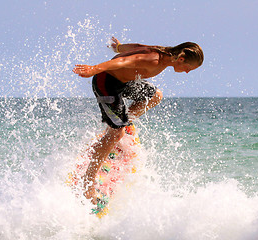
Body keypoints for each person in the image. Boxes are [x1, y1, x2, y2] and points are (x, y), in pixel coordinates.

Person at [72, 37, 204, 202]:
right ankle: (88, 183)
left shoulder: (162, 52)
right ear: (182, 59)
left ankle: (118, 126)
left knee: (155, 95)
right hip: (106, 83)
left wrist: (119, 47)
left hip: (125, 82)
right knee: (116, 135)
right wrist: (94, 69)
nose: (187, 72)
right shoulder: (155, 60)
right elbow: (124, 61)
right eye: (188, 68)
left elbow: (138, 47)